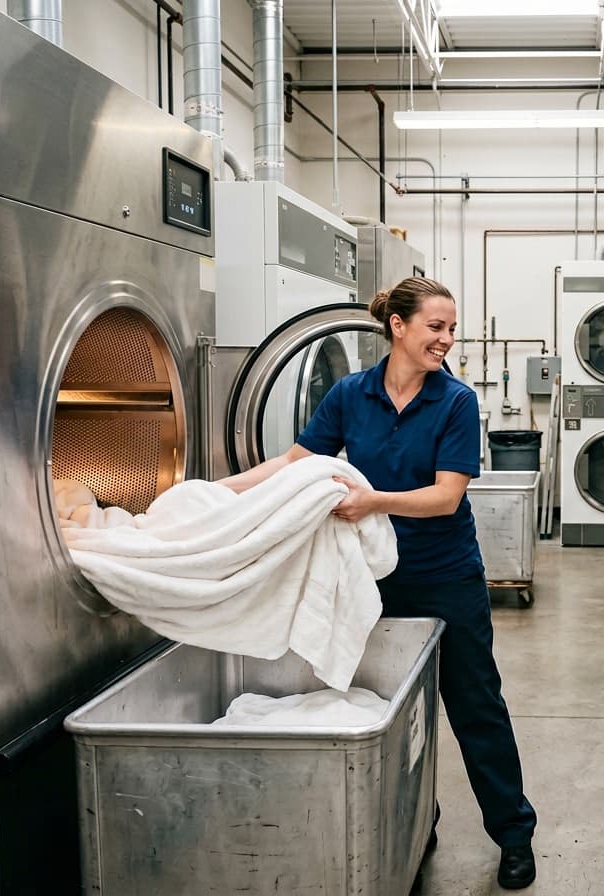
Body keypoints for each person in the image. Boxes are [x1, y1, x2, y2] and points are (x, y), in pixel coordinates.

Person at [220, 277, 538, 889]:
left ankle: (514, 834)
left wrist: (371, 502)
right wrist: (215, 492)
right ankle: (420, 818)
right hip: (373, 579)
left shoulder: (455, 402)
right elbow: (295, 464)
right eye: (435, 327)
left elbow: (447, 498)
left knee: (475, 705)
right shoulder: (351, 394)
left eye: (451, 328)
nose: (446, 338)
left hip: (446, 577)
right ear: (398, 325)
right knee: (390, 707)